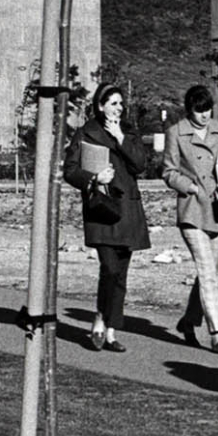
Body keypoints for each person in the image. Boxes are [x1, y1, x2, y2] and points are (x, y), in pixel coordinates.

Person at [62, 83, 148, 348]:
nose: (118, 108)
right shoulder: (85, 132)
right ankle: (100, 317)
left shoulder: (129, 132)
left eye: (121, 104)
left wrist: (121, 138)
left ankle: (111, 330)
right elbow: (71, 170)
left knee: (121, 273)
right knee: (109, 269)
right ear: (100, 106)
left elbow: (141, 165)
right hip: (102, 209)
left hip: (128, 211)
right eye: (112, 103)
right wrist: (94, 178)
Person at [161, 83, 218, 353]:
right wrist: (190, 187)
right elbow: (169, 172)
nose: (204, 115)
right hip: (193, 210)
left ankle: (189, 320)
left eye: (208, 109)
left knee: (209, 273)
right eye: (199, 109)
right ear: (189, 109)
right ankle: (217, 333)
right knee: (207, 270)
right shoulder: (176, 133)